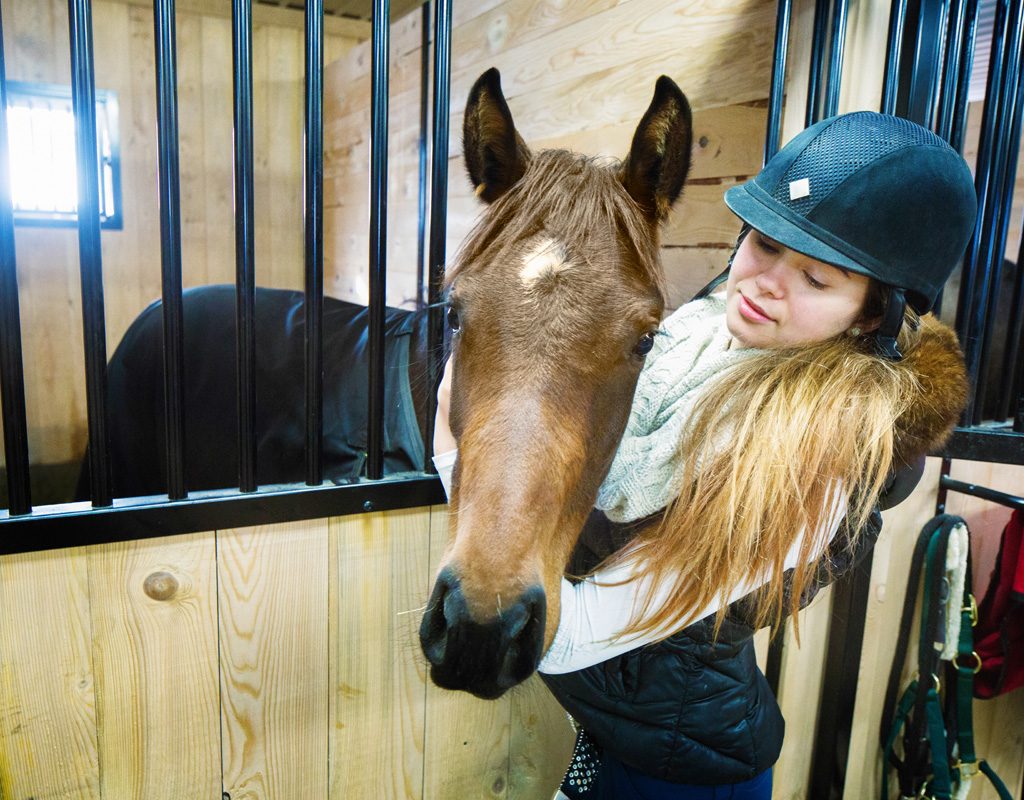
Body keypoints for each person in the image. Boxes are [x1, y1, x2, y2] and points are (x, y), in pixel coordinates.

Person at [432, 111, 976, 799]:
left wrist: (454, 452)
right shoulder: (693, 335)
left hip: (688, 775)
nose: (764, 283)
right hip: (619, 732)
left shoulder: (816, 465)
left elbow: (572, 637)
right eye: (763, 242)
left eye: (816, 279)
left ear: (871, 316)